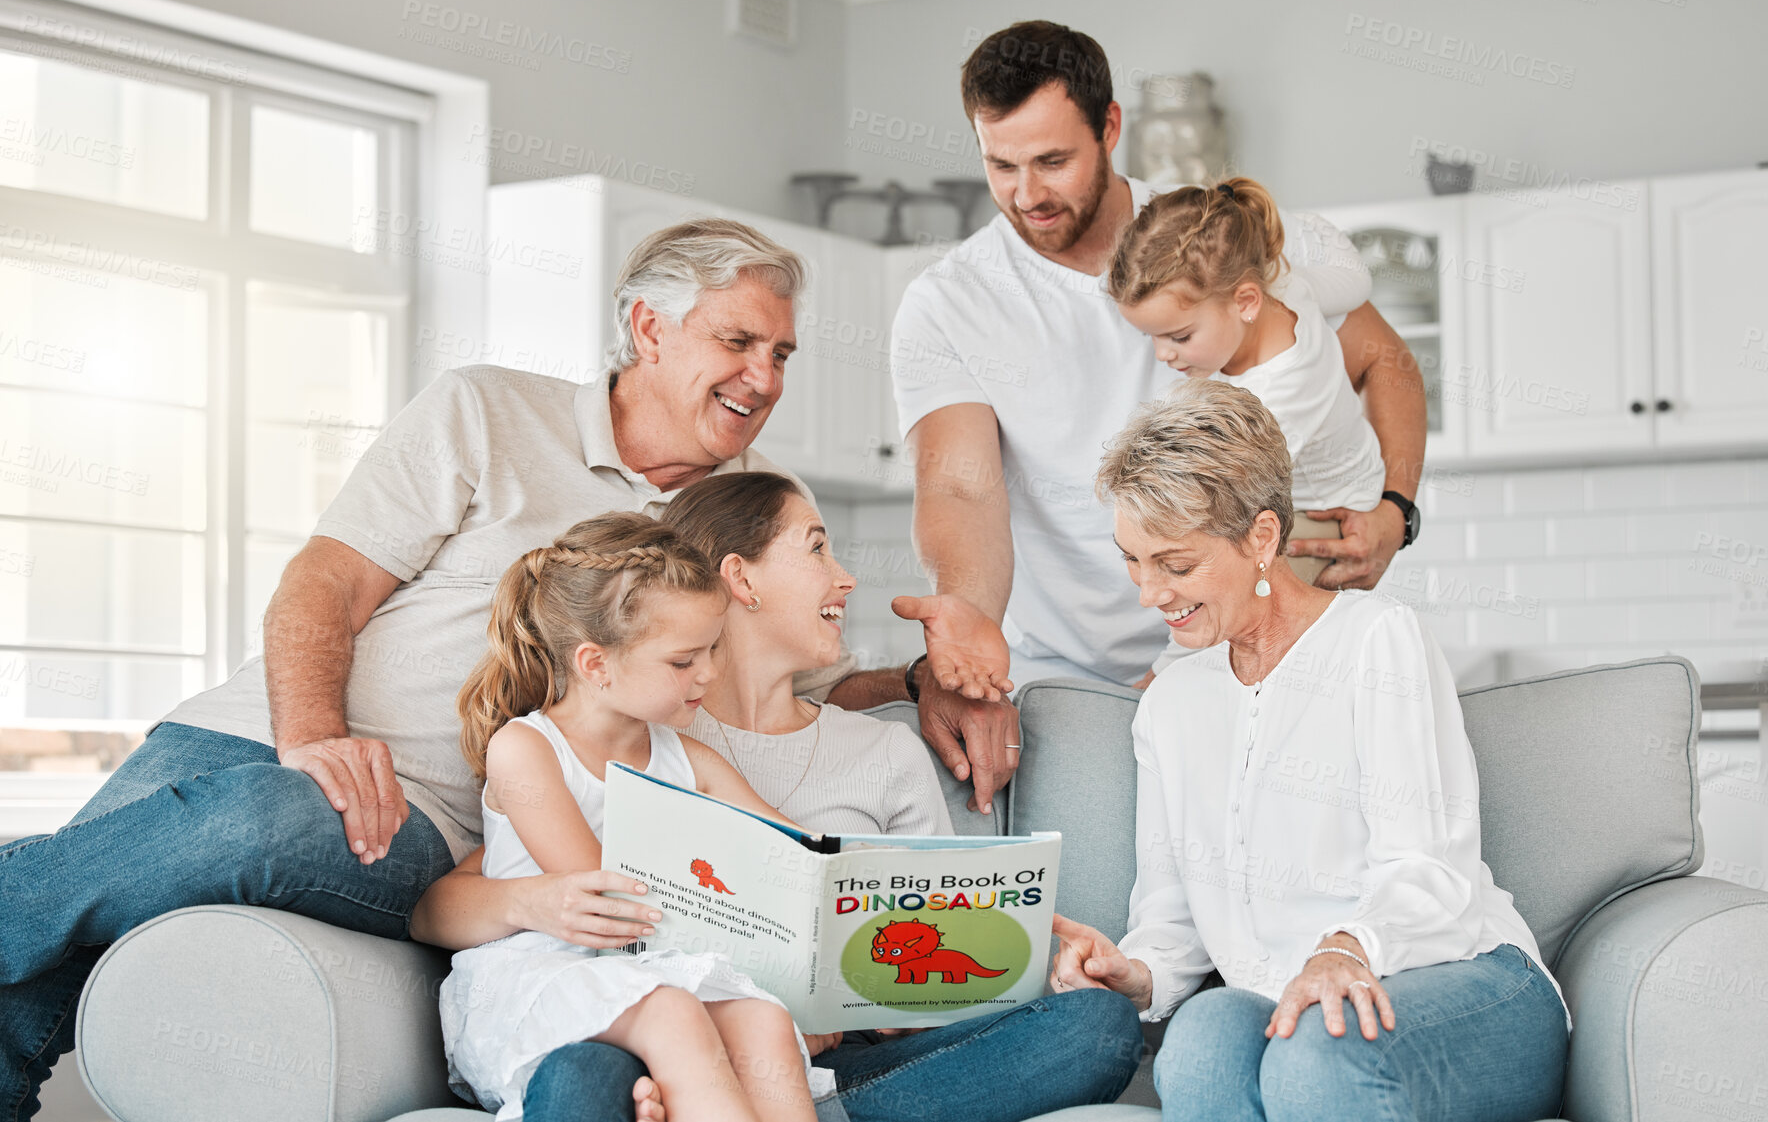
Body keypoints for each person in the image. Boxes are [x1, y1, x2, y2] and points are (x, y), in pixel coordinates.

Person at [0, 218, 1011, 1122]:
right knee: (30, 974)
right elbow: (322, 583)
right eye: (738, 341)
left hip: (417, 814)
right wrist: (313, 737)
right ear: (647, 328)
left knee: (257, 819)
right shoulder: (484, 409)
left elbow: (754, 678)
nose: (765, 376)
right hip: (247, 731)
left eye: (781, 352)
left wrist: (909, 686)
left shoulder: (731, 518)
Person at [414, 471, 1142, 1122]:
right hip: (615, 989)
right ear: (739, 580)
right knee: (592, 1068)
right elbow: (563, 900)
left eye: (704, 653)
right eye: (817, 547)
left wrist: (1041, 917)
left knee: (1092, 1026)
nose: (845, 577)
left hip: (812, 1047)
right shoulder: (576, 740)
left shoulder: (695, 747)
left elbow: (817, 855)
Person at [1047, 379, 1569, 1122]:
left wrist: (1344, 947)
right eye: (1133, 560)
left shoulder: (1375, 639)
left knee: (1318, 1045)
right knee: (1198, 1036)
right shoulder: (1170, 703)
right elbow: (1171, 919)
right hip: (1293, 999)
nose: (1148, 593)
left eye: (1175, 564)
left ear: (1261, 538)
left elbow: (1429, 869)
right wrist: (1132, 972)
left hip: (1464, 980)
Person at [889, 21, 1427, 698]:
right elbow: (960, 488)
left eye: (1052, 161)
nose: (1027, 194)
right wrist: (965, 616)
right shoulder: (948, 302)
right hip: (1059, 676)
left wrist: (1394, 511)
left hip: (1252, 653)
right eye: (1001, 165)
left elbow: (1387, 363)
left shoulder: (1208, 235)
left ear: (1109, 127)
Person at [441, 513, 830, 1122]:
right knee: (674, 1009)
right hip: (546, 970)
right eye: (683, 661)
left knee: (764, 1019)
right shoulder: (525, 748)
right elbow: (602, 893)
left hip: (651, 960)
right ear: (595, 665)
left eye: (714, 649)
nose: (709, 673)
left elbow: (800, 849)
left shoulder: (689, 759)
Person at [1106, 175, 1389, 674]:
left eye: (1179, 336)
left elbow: (1202, 522)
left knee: (1227, 611)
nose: (1163, 355)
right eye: (1151, 338)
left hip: (1328, 513)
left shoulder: (1280, 397)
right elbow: (1354, 279)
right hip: (1312, 480)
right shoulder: (1283, 282)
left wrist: (1162, 672)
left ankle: (1164, 681)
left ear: (1245, 302)